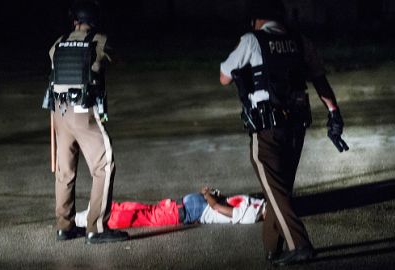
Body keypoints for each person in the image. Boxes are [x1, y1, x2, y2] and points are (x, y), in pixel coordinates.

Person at [219, 0, 349, 266]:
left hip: (267, 129)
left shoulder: (252, 40)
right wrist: (334, 112)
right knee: (279, 190)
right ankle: (272, 249)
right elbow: (319, 79)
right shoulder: (300, 41)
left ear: (256, 19)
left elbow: (223, 76)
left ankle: (299, 244)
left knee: (275, 190)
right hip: (296, 127)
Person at [44, 0, 128, 244]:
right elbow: (116, 59)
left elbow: (53, 65)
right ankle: (96, 228)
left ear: (74, 21)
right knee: (104, 164)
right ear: (93, 21)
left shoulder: (58, 43)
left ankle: (64, 226)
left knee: (65, 172)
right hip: (83, 111)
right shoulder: (98, 40)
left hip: (58, 112)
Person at [74, 187, 266, 228]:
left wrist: (208, 195)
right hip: (191, 208)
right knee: (145, 213)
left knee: (144, 214)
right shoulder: (259, 206)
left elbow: (218, 208)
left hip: (192, 210)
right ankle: (97, 214)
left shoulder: (251, 215)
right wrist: (213, 194)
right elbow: (223, 204)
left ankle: (94, 216)